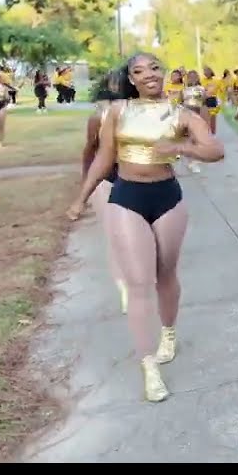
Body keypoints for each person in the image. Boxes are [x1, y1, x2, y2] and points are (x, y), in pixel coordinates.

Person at [66, 52, 225, 403]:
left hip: (167, 197)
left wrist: (182, 146)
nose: (149, 74)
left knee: (165, 274)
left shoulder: (182, 113)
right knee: (140, 283)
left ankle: (168, 332)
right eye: (139, 71)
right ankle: (149, 366)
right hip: (127, 196)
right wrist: (82, 197)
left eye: (154, 68)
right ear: (132, 79)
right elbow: (105, 157)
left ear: (164, 73)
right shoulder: (118, 111)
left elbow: (215, 150)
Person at [83, 69, 129, 314]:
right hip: (107, 179)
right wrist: (86, 186)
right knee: (114, 236)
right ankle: (124, 288)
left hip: (138, 180)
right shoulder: (98, 116)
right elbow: (89, 151)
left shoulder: (145, 113)